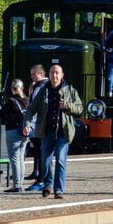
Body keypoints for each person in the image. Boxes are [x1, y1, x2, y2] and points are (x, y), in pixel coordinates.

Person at [21, 64, 83, 199]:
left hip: (63, 132)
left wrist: (66, 105)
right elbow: (31, 109)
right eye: (52, 73)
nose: (54, 75)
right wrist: (26, 123)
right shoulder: (44, 91)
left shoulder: (70, 91)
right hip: (47, 132)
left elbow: (79, 108)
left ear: (62, 75)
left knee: (61, 161)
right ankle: (48, 185)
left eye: (57, 73)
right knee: (45, 162)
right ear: (48, 75)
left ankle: (59, 190)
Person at [0, 79, 29, 193]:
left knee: (14, 159)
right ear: (22, 88)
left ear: (12, 89)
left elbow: (1, 114)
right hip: (24, 131)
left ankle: (17, 184)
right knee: (21, 158)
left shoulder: (11, 101)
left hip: (12, 131)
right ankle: (20, 182)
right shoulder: (27, 101)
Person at [25, 64, 48, 191]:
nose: (32, 76)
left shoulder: (40, 87)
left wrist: (31, 123)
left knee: (40, 151)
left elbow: (35, 107)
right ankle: (39, 176)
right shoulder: (44, 86)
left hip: (39, 124)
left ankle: (41, 179)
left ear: (40, 74)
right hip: (41, 124)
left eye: (34, 74)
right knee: (40, 151)